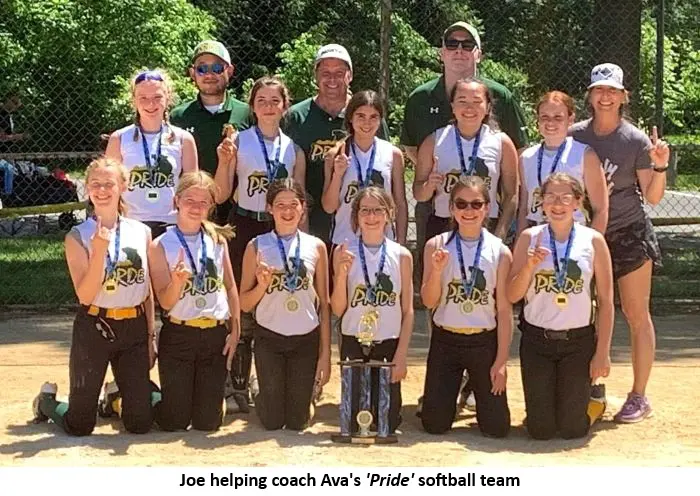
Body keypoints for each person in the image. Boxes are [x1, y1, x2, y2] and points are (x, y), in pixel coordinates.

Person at [570, 63, 670, 423]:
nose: (605, 96)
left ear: (623, 96)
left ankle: (639, 395)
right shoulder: (575, 136)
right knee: (586, 311)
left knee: (636, 313)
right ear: (590, 95)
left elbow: (653, 197)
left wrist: (660, 166)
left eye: (612, 90)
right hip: (585, 235)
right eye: (599, 89)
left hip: (629, 233)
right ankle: (591, 385)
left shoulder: (635, 140)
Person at [32, 157, 154, 435]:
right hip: (95, 326)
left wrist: (150, 336)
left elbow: (146, 291)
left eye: (109, 184)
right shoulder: (78, 236)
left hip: (133, 327)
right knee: (80, 425)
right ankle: (46, 401)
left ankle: (113, 398)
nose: (102, 190)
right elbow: (86, 295)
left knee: (140, 423)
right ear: (87, 188)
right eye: (95, 184)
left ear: (123, 186)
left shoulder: (141, 232)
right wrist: (99, 251)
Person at [214, 76, 306, 413]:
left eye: (275, 101)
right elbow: (221, 194)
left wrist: (301, 240)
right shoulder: (238, 141)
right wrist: (224, 161)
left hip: (279, 226)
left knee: (274, 296)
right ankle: (234, 381)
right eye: (261, 101)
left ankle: (266, 377)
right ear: (252, 106)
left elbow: (299, 199)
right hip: (244, 223)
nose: (268, 107)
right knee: (241, 302)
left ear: (285, 106)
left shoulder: (293, 149)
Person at [507, 173, 613, 439]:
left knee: (572, 430)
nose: (557, 204)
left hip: (577, 342)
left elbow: (606, 301)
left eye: (565, 198)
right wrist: (530, 266)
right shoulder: (529, 238)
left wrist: (602, 352)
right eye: (550, 197)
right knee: (540, 431)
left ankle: (595, 402)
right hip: (537, 341)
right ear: (541, 202)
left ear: (577, 202)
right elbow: (511, 294)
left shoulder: (593, 240)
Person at [419, 176, 511, 438]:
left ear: (487, 208)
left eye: (476, 204)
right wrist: (437, 271)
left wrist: (501, 362)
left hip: (484, 342)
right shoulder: (436, 245)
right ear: (451, 208)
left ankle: (474, 394)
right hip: (446, 340)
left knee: (496, 429)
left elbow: (504, 311)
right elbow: (428, 301)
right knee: (434, 425)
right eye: (461, 204)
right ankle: (449, 395)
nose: (468, 211)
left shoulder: (499, 251)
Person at [148, 171, 240, 431]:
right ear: (176, 200)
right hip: (179, 334)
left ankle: (211, 403)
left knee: (208, 424)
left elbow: (230, 286)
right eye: (190, 200)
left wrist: (235, 332)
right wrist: (177, 282)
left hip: (214, 334)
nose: (196, 207)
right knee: (174, 422)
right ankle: (136, 395)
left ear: (211, 206)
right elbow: (165, 302)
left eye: (203, 202)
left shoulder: (217, 239)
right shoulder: (160, 245)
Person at [238, 178, 331, 430]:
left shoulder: (316, 247)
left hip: (305, 339)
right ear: (269, 208)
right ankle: (258, 386)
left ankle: (307, 393)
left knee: (298, 423)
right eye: (280, 205)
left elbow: (324, 304)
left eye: (294, 205)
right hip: (269, 338)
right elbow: (244, 304)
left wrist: (325, 354)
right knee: (272, 422)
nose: (287, 211)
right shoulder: (256, 246)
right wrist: (262, 285)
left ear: (303, 208)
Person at [283, 44, 390, 246]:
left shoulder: (367, 115)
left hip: (360, 220)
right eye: (325, 73)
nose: (332, 79)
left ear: (350, 76)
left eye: (339, 73)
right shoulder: (297, 117)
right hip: (310, 217)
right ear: (316, 76)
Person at [331, 187, 414, 435]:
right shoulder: (343, 252)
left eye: (378, 210)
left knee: (387, 422)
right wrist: (341, 276)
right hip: (354, 340)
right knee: (353, 421)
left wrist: (401, 355)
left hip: (388, 342)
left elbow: (408, 310)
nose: (371, 216)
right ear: (356, 216)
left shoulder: (402, 255)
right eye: (365, 210)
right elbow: (337, 308)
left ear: (389, 214)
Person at [414, 78, 519, 245]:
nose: (469, 108)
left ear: (488, 107)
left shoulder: (502, 142)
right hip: (444, 224)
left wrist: (500, 235)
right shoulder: (434, 141)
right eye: (462, 101)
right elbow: (419, 194)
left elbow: (511, 195)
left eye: (477, 101)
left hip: (486, 224)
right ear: (452, 106)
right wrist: (429, 185)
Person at [105, 69, 198, 239]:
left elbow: (192, 189)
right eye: (143, 98)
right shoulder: (119, 138)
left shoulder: (183, 139)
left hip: (171, 224)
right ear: (134, 100)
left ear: (167, 97)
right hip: (131, 223)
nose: (150, 104)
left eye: (157, 97)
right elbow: (109, 185)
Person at [170, 40, 252, 225]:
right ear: (192, 73)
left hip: (237, 214)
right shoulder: (179, 116)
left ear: (229, 70)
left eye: (216, 68)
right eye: (202, 68)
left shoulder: (247, 113)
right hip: (192, 211)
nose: (209, 74)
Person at [322, 89, 408, 247]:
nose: (367, 123)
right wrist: (338, 175)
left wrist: (401, 243)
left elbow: (400, 203)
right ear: (350, 118)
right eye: (360, 116)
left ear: (380, 120)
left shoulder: (392, 154)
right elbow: (328, 207)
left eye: (373, 117)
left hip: (384, 241)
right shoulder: (337, 154)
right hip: (345, 241)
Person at [517, 90, 608, 236]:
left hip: (574, 234)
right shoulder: (526, 158)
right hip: (537, 235)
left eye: (558, 117)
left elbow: (601, 209)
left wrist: (592, 245)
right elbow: (523, 209)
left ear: (570, 119)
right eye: (544, 117)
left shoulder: (584, 155)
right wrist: (520, 243)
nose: (550, 123)